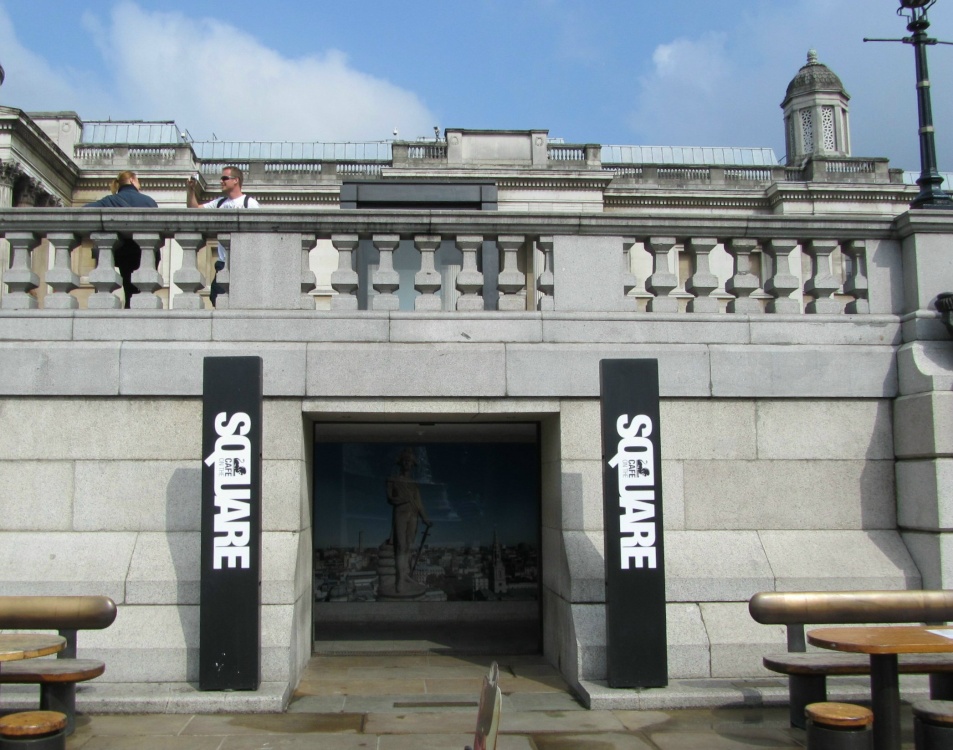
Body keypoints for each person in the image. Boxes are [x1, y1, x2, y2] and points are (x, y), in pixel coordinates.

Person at [187, 166, 260, 306]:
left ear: (236, 180)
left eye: (225, 178)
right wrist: (191, 190)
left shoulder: (249, 203)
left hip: (243, 263)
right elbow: (194, 209)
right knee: (216, 297)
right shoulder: (219, 203)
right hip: (223, 262)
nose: (221, 181)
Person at [85, 171, 158, 308]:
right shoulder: (149, 201)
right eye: (138, 180)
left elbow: (85, 210)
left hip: (124, 252)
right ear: (132, 180)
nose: (139, 183)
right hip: (145, 252)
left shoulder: (110, 200)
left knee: (128, 287)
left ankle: (129, 306)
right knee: (144, 289)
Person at [385, 448, 432, 596]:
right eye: (405, 460)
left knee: (408, 547)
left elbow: (419, 504)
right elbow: (390, 498)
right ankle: (400, 579)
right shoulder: (392, 479)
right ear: (401, 463)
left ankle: (405, 575)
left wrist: (425, 519)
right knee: (401, 545)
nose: (407, 463)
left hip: (413, 516)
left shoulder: (414, 484)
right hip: (400, 513)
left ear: (412, 464)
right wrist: (403, 499)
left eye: (410, 461)